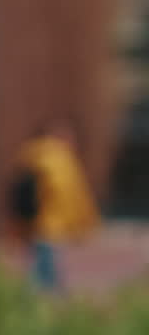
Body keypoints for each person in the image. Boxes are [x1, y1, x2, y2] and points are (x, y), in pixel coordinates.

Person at [8, 124, 101, 292]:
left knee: (41, 263)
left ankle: (37, 296)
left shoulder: (31, 157)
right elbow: (71, 196)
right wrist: (85, 223)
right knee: (46, 268)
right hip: (52, 223)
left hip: (34, 221)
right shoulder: (59, 160)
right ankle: (40, 298)